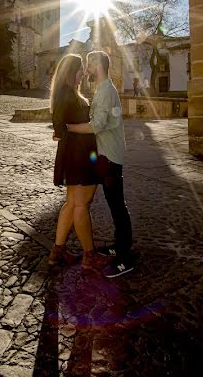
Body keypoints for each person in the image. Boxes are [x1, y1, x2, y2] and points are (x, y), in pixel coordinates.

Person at [67, 50, 134, 278]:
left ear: (99, 64)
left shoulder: (105, 90)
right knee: (114, 203)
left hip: (110, 156)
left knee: (117, 206)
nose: (86, 67)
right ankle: (119, 245)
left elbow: (97, 125)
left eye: (89, 63)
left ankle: (126, 257)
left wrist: (69, 128)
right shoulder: (103, 89)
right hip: (106, 155)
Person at [48, 54, 104, 271]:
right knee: (82, 204)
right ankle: (90, 256)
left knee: (72, 203)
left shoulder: (68, 93)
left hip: (76, 153)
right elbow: (60, 127)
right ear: (71, 71)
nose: (83, 72)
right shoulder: (66, 94)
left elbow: (61, 127)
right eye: (80, 69)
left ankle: (57, 251)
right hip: (78, 155)